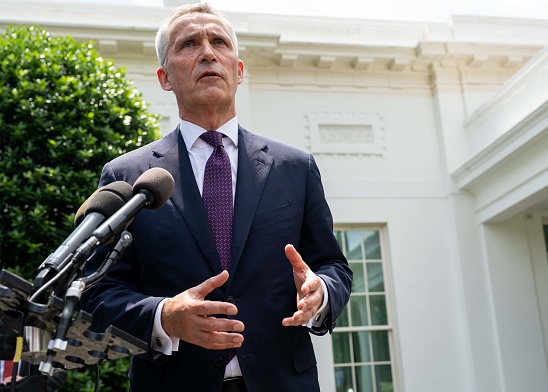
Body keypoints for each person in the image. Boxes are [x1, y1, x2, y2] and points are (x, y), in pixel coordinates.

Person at [80, 3, 352, 392]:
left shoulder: (295, 167)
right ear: (165, 77)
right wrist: (164, 316)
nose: (208, 52)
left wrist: (320, 292)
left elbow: (333, 266)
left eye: (219, 42)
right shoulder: (128, 176)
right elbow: (98, 292)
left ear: (238, 70)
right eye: (188, 43)